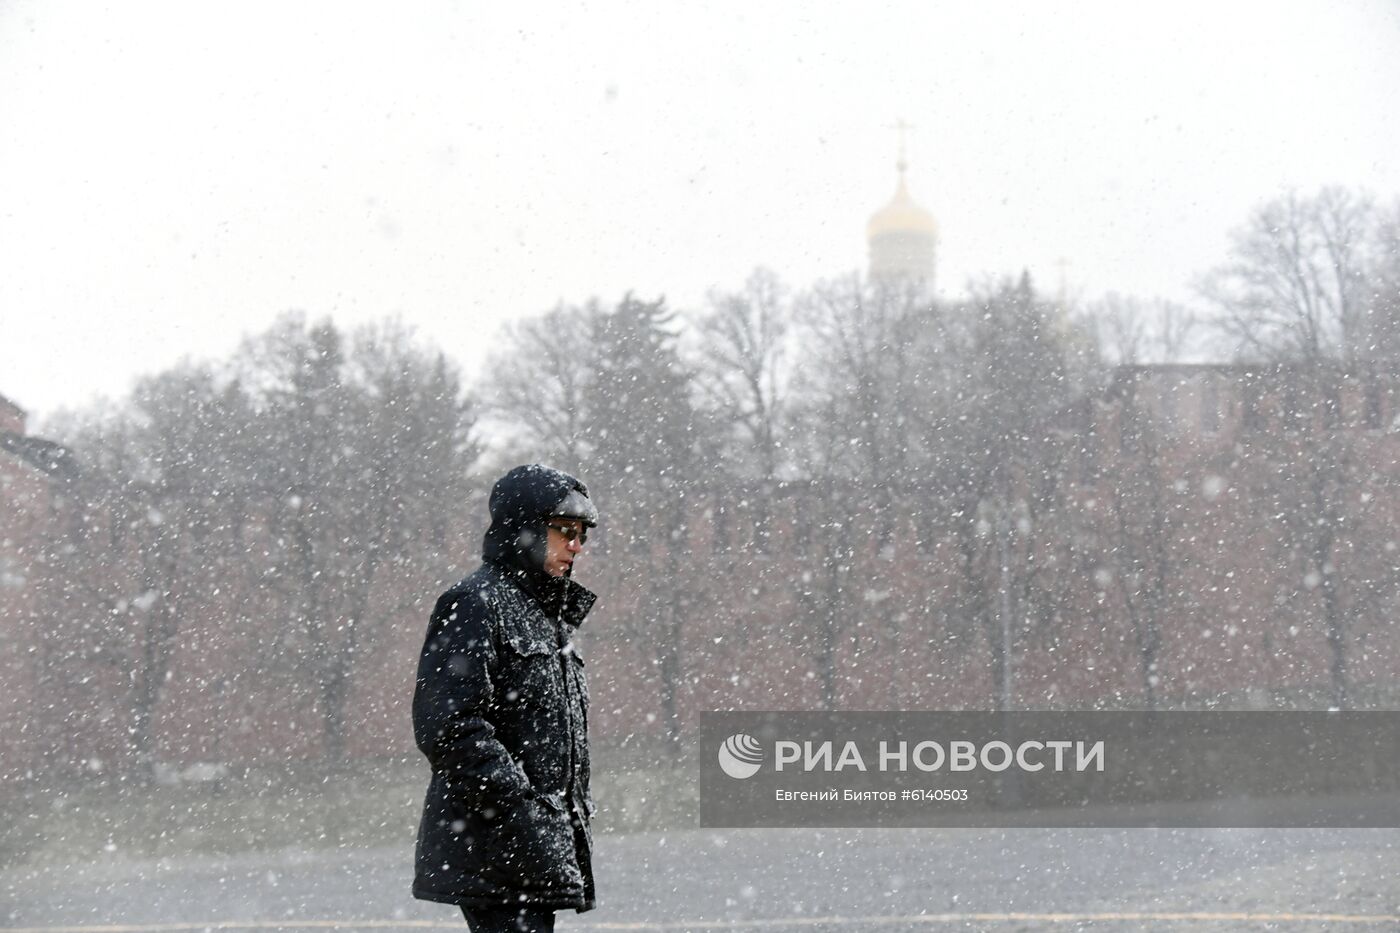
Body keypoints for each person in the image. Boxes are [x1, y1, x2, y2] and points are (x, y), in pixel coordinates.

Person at [412, 464, 600, 933]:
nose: (577, 546)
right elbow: (448, 725)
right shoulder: (475, 603)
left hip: (533, 849)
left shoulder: (546, 616)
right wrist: (521, 809)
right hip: (498, 849)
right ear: (526, 530)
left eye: (582, 534)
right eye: (565, 531)